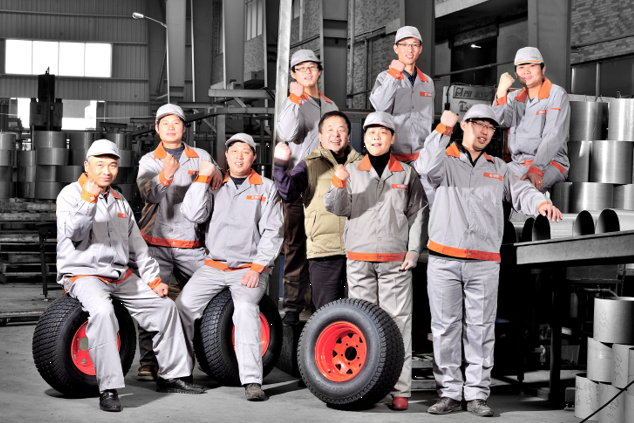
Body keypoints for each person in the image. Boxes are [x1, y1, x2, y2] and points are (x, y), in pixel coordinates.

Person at [415, 105, 561, 417]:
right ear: (464, 125)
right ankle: (449, 394)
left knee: (480, 330)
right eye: (478, 124)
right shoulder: (445, 160)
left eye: (490, 127)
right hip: (444, 259)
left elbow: (521, 191)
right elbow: (425, 167)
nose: (484, 131)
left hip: (484, 262)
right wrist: (442, 129)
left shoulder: (499, 167)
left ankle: (477, 395)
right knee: (445, 329)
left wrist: (540, 204)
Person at [56, 139, 206, 412]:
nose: (107, 171)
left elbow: (137, 247)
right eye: (100, 165)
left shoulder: (119, 201)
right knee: (104, 313)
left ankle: (172, 376)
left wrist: (153, 280)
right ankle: (109, 388)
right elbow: (74, 233)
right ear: (87, 166)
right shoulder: (70, 194)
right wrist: (88, 198)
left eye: (112, 165)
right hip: (84, 275)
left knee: (165, 308)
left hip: (119, 275)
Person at [324, 111, 427, 411]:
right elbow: (337, 208)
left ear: (392, 138)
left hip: (396, 261)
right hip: (360, 260)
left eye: (382, 133)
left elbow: (418, 212)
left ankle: (400, 390)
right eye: (371, 133)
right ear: (364, 138)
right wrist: (338, 183)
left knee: (398, 324)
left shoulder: (406, 174)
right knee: (364, 327)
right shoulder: (351, 171)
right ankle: (370, 387)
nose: (376, 138)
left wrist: (414, 250)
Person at [176, 133, 284, 401]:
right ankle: (180, 373)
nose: (239, 156)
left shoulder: (266, 188)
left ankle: (252, 381)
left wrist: (258, 268)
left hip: (248, 268)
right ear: (226, 156)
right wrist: (202, 178)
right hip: (213, 267)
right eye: (234, 151)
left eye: (245, 152)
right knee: (182, 307)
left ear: (254, 157)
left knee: (246, 309)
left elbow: (273, 232)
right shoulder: (214, 184)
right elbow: (192, 214)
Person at [135, 103, 223, 381]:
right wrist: (166, 174)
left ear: (184, 127)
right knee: (152, 302)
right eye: (165, 123)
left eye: (176, 123)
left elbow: (216, 187)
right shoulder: (149, 160)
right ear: (157, 128)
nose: (171, 127)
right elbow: (148, 194)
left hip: (191, 245)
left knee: (208, 301)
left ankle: (209, 357)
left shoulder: (201, 156)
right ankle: (149, 363)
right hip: (156, 243)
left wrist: (218, 172)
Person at [273, 111, 363, 310]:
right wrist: (280, 166)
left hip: (358, 251)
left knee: (359, 313)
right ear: (320, 136)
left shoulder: (362, 165)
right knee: (326, 313)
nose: (336, 134)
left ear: (348, 135)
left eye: (341, 130)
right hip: (324, 251)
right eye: (330, 130)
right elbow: (288, 192)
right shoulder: (308, 165)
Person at [277, 49, 339, 325]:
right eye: (301, 68)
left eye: (311, 67)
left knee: (323, 244)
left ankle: (320, 303)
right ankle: (293, 305)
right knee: (296, 245)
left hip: (325, 183)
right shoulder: (292, 103)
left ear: (319, 71)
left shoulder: (330, 105)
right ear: (294, 74)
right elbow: (287, 133)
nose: (307, 72)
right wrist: (294, 98)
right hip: (298, 183)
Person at [369, 26, 435, 202]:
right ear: (396, 48)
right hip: (394, 157)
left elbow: (428, 118)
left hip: (422, 158)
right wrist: (394, 74)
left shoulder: (427, 82)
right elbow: (380, 106)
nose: (409, 49)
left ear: (420, 49)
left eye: (414, 44)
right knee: (396, 206)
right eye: (404, 44)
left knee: (426, 205)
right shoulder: (385, 77)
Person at [492, 46, 570, 193]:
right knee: (487, 185)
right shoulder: (513, 98)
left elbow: (553, 135)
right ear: (516, 73)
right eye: (521, 67)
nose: (526, 71)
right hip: (519, 164)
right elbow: (496, 121)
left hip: (551, 163)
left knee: (523, 191)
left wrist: (536, 168)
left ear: (543, 69)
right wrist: (501, 92)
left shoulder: (556, 94)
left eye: (532, 66)